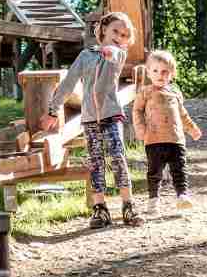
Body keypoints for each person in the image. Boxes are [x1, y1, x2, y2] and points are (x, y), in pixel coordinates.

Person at [41, 12, 142, 229]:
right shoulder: (85, 56)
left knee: (117, 157)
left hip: (111, 115)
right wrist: (52, 110)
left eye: (124, 35)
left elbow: (113, 54)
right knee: (95, 162)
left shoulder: (118, 54)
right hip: (89, 119)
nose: (119, 37)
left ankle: (128, 204)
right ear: (103, 29)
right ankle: (100, 209)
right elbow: (68, 83)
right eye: (115, 31)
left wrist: (111, 50)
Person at [132, 49, 203, 215]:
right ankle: (153, 199)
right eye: (155, 71)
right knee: (154, 171)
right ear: (149, 72)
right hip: (154, 139)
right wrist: (140, 129)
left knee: (179, 169)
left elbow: (182, 114)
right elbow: (136, 111)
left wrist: (192, 128)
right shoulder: (145, 92)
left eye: (164, 71)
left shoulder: (175, 93)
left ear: (171, 74)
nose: (160, 75)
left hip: (176, 139)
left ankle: (182, 196)